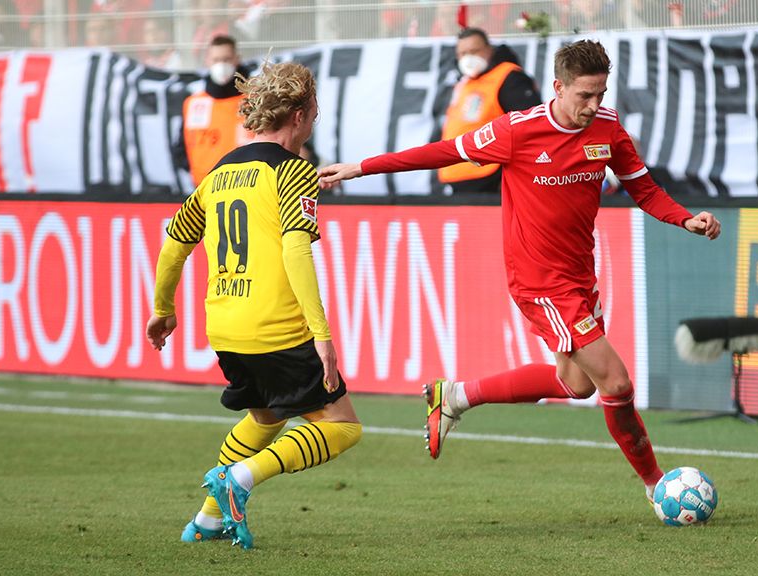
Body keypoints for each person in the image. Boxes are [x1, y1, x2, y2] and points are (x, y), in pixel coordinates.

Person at [319, 40, 720, 503]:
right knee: (617, 383)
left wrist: (685, 217)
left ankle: (456, 396)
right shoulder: (517, 131)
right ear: (558, 86)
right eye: (584, 96)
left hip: (580, 275)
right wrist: (360, 169)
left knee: (577, 383)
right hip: (540, 281)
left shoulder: (608, 129)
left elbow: (644, 189)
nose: (593, 106)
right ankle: (657, 486)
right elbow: (445, 152)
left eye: (601, 95)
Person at [147, 60, 362, 550]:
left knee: (266, 417)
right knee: (343, 426)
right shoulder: (293, 171)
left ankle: (205, 520)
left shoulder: (219, 173)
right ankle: (241, 479)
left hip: (224, 325)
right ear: (303, 114)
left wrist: (163, 308)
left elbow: (174, 245)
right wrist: (321, 335)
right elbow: (294, 247)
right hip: (276, 326)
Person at [438, 27, 541, 194]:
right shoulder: (464, 82)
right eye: (462, 53)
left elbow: (531, 127)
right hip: (458, 179)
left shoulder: (508, 77)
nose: (468, 58)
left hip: (490, 178)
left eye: (474, 51)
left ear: (489, 49)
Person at [182, 35, 254, 186]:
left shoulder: (254, 100)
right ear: (207, 61)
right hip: (204, 188)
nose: (221, 65)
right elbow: (181, 146)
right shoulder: (194, 103)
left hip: (244, 186)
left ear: (237, 59)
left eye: (226, 59)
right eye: (216, 60)